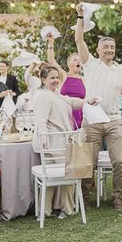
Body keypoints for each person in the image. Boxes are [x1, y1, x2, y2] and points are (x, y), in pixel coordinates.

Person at [74, 3, 122, 211]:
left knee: (120, 162)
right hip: (92, 121)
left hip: (114, 122)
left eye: (112, 48)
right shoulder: (90, 64)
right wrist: (79, 16)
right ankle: (86, 197)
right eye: (106, 47)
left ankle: (117, 197)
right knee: (89, 163)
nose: (110, 50)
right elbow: (79, 38)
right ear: (98, 50)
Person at [32, 66, 93, 220]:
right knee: (68, 173)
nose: (55, 80)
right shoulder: (43, 96)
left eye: (57, 77)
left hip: (58, 139)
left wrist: (86, 102)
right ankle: (67, 208)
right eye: (51, 78)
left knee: (54, 177)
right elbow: (40, 120)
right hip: (53, 140)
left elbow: (70, 101)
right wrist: (44, 138)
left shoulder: (56, 94)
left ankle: (46, 211)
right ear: (43, 80)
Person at [47, 35, 87, 128]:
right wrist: (51, 43)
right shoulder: (63, 76)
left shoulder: (84, 80)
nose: (78, 62)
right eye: (75, 60)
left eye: (80, 60)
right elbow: (51, 61)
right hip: (63, 114)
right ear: (69, 63)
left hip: (80, 115)